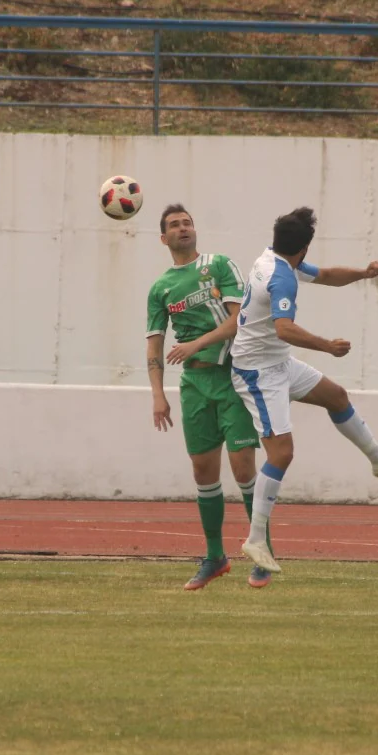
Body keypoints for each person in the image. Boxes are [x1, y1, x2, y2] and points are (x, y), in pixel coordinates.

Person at [229, 207, 378, 574]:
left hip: (276, 363)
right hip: (257, 373)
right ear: (303, 247)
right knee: (282, 453)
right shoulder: (282, 277)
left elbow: (328, 275)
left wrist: (365, 274)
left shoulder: (272, 259)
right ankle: (255, 539)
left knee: (336, 397)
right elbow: (284, 328)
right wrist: (327, 346)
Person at [145, 204, 270, 590]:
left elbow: (239, 321)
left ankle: (261, 551)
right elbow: (154, 344)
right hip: (194, 385)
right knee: (203, 472)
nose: (183, 228)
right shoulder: (160, 288)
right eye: (174, 226)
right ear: (164, 238)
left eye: (187, 222)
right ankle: (215, 556)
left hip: (232, 376)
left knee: (244, 468)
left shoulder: (218, 266)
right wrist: (157, 395)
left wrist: (197, 343)